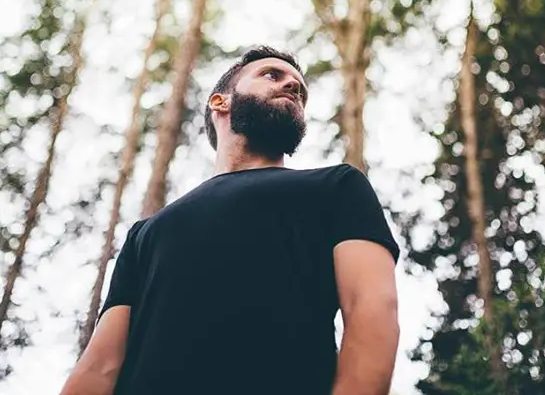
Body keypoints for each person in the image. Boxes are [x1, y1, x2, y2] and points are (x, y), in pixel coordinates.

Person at [60, 45, 400, 395]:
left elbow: (371, 309)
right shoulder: (145, 233)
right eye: (272, 75)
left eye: (300, 89)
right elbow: (99, 365)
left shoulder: (338, 187)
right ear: (220, 102)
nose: (293, 86)